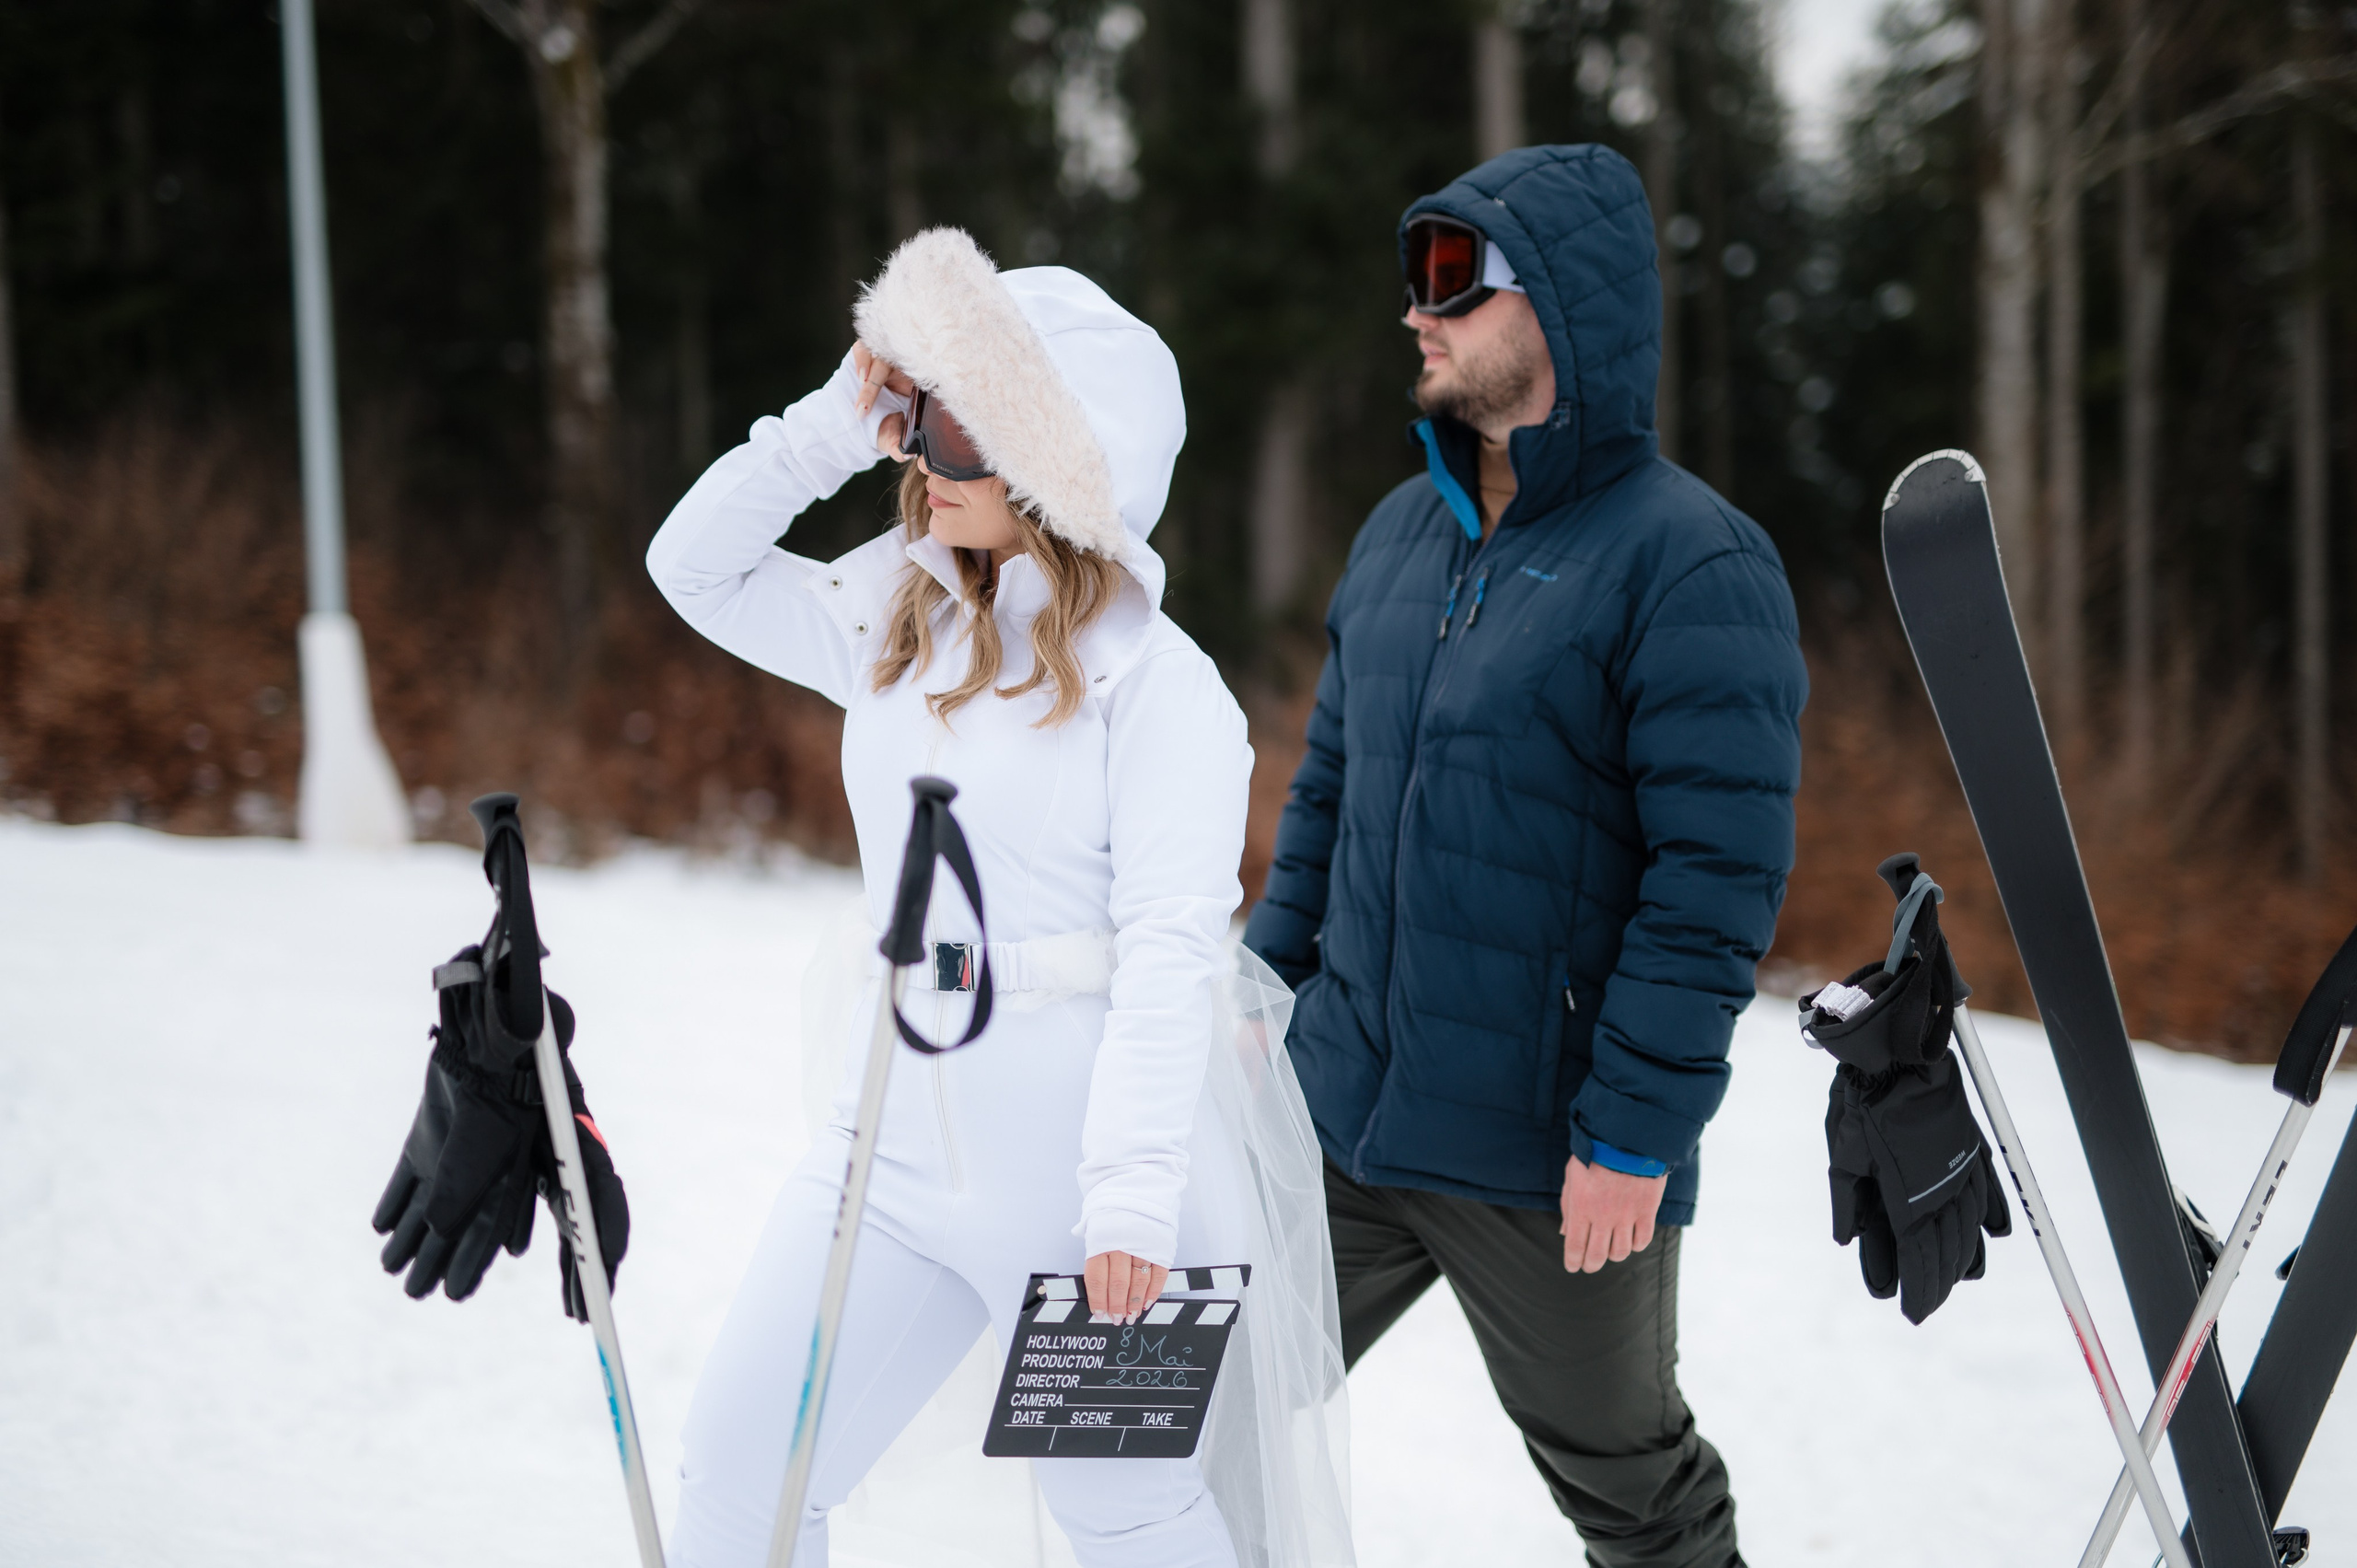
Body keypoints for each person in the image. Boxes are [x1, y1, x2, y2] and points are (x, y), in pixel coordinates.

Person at [645, 227, 1351, 1568]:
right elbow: (695, 572)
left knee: (1124, 1512)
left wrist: (1133, 1197)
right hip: (891, 1147)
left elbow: (1168, 954)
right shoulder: (897, 626)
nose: (921, 457)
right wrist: (831, 427)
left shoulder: (1161, 685)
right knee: (743, 1473)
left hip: (1087, 1175)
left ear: (1062, 456)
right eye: (919, 417)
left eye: (960, 428)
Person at [1244, 145, 1805, 1568]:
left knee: (1634, 1492)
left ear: (1561, 306)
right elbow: (1329, 793)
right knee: (1182, 1409)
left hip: (1546, 1151)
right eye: (1411, 280)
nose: (1416, 314)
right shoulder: (1395, 536)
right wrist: (1256, 999)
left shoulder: (1692, 563)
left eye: (1453, 280)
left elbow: (1711, 885)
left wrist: (1632, 1135)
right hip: (1342, 1112)